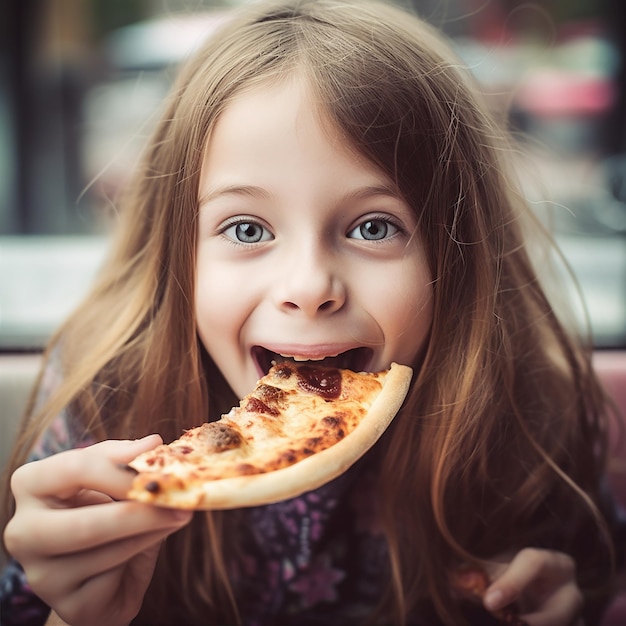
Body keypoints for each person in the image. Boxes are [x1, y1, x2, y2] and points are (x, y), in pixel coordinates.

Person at [0, 0, 623, 624]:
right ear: (174, 255)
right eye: (246, 229)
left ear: (459, 259)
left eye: (373, 226)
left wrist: (573, 604)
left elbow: (601, 577)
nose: (308, 286)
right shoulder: (102, 404)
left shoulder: (532, 419)